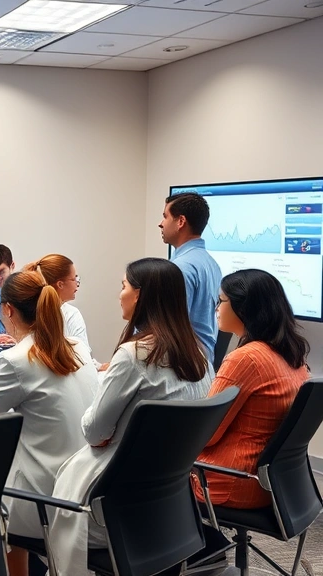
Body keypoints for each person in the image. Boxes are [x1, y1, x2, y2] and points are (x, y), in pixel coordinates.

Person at [48, 257, 212, 575]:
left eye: (123, 286)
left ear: (140, 295)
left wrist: (109, 429)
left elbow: (94, 432)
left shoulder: (133, 355)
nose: (119, 294)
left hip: (109, 508)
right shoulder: (200, 354)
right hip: (170, 508)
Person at [0, 270, 98, 576]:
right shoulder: (78, 347)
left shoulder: (15, 360)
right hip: (88, 491)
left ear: (9, 310)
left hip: (44, 500)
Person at [195, 269, 310, 508]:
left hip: (230, 480)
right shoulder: (294, 357)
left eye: (221, 301)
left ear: (244, 309)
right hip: (273, 483)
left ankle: (183, 544)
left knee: (143, 471)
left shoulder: (246, 359)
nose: (216, 308)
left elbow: (205, 434)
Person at [161, 192, 223, 365]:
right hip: (202, 365)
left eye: (165, 217)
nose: (161, 224)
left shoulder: (180, 268)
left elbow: (168, 328)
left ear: (180, 221)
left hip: (181, 367)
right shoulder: (212, 264)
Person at [24, 254, 89, 348]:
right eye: (74, 278)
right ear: (60, 284)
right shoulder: (71, 314)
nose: (77, 283)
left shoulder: (29, 311)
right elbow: (82, 353)